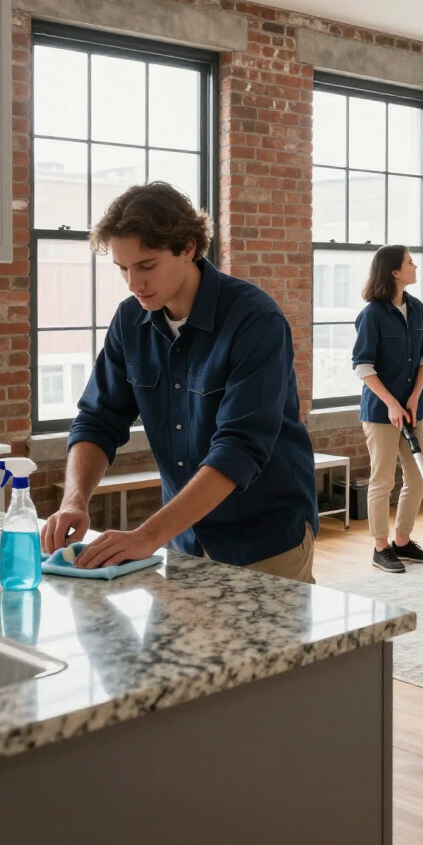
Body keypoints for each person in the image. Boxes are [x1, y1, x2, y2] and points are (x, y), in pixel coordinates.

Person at [41, 182, 319, 582]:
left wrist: (146, 536)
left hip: (264, 539)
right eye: (123, 268)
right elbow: (98, 420)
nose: (134, 283)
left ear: (188, 248)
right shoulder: (129, 321)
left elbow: (239, 448)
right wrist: (75, 500)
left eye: (146, 265)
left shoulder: (255, 320)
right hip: (181, 540)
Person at [352, 246, 423, 573]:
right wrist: (391, 402)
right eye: (410, 262)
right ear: (394, 271)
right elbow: (362, 366)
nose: (415, 266)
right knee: (383, 479)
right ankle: (380, 547)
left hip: (414, 408)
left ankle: (402, 541)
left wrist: (415, 396)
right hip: (380, 412)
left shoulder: (416, 308)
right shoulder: (372, 315)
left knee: (418, 477)